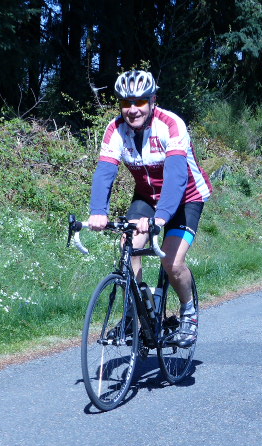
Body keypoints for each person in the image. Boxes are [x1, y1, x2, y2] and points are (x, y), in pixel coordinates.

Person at [88, 70, 212, 347]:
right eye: (126, 103)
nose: (132, 109)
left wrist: (160, 218)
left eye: (140, 102)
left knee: (172, 262)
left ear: (153, 100)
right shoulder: (115, 129)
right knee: (128, 247)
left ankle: (188, 312)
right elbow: (105, 172)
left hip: (186, 197)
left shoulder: (171, 125)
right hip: (146, 197)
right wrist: (98, 211)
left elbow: (177, 177)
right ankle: (136, 313)